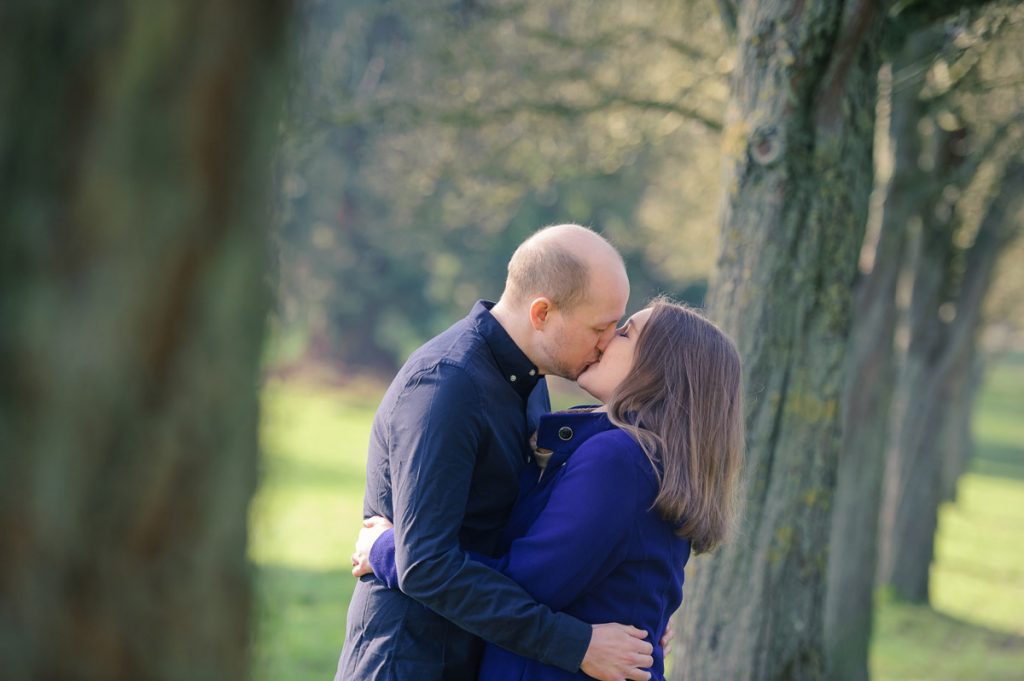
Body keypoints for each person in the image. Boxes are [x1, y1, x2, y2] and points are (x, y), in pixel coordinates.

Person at [355, 298, 744, 680]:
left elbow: (524, 585)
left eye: (625, 334)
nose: (606, 339)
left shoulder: (620, 458)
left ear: (659, 371)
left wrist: (390, 551)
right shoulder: (650, 459)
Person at [335, 224, 657, 681]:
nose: (606, 344)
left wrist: (633, 608)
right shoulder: (448, 384)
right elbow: (426, 566)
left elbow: (525, 541)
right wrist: (575, 644)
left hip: (479, 657)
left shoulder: (529, 384)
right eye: (599, 329)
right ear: (542, 312)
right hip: (408, 662)